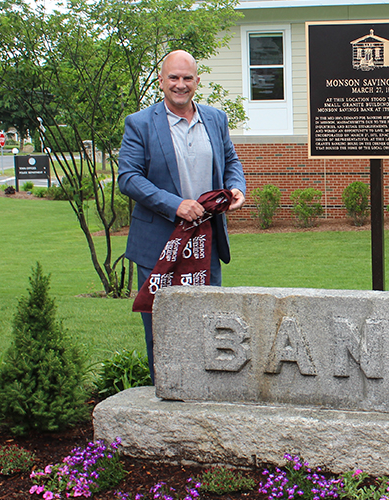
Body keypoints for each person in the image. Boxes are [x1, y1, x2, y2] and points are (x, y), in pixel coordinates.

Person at [118, 49, 246, 382]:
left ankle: (207, 397)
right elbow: (128, 178)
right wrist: (175, 204)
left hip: (207, 244)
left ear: (197, 81)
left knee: (210, 326)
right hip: (158, 246)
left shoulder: (215, 119)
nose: (180, 84)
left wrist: (235, 188)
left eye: (187, 78)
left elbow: (231, 161)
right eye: (173, 77)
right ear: (161, 81)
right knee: (161, 329)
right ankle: (166, 398)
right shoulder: (141, 124)